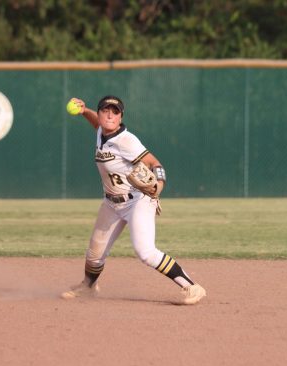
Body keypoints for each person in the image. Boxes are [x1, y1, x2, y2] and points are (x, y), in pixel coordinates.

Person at [61, 95, 206, 305]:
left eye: (115, 111)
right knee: (95, 253)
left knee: (145, 251)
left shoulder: (126, 141)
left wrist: (159, 186)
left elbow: (156, 163)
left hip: (138, 199)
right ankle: (88, 287)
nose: (110, 114)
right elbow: (97, 124)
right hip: (112, 202)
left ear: (121, 117)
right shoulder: (103, 131)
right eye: (105, 110)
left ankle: (192, 287)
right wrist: (85, 112)